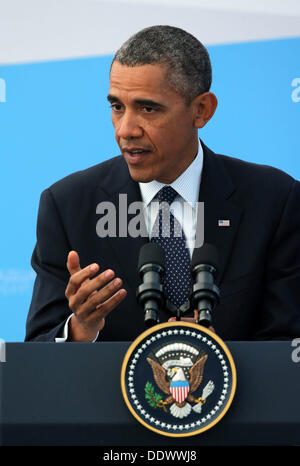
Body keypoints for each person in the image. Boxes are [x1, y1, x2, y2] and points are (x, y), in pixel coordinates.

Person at [25, 25, 300, 343]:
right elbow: (37, 353)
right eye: (117, 107)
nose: (126, 130)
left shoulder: (274, 201)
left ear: (201, 110)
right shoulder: (68, 206)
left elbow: (288, 349)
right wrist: (80, 328)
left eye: (148, 108)